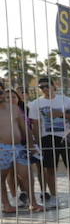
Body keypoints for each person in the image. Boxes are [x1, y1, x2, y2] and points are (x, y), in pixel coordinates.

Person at [27, 76, 70, 207]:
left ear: (54, 86)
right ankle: (53, 197)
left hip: (67, 137)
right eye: (41, 87)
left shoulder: (66, 100)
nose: (45, 89)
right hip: (47, 138)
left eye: (47, 86)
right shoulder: (36, 103)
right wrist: (37, 142)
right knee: (50, 169)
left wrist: (61, 115)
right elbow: (35, 125)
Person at [0, 85, 41, 214]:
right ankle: (6, 204)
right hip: (2, 149)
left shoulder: (14, 109)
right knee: (1, 178)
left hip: (18, 147)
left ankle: (33, 203)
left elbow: (25, 129)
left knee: (27, 175)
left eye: (1, 92)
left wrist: (31, 145)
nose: (2, 95)